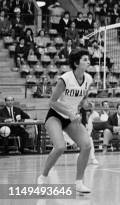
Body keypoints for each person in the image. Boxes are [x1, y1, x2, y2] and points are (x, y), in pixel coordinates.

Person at [37, 49, 93, 193]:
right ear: (76, 63)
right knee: (60, 147)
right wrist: (69, 112)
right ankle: (43, 177)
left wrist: (86, 104)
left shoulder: (88, 79)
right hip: (55, 116)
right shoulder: (65, 78)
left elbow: (84, 97)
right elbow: (52, 102)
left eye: (88, 59)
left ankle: (79, 183)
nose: (88, 61)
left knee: (86, 145)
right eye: (85, 59)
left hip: (71, 118)